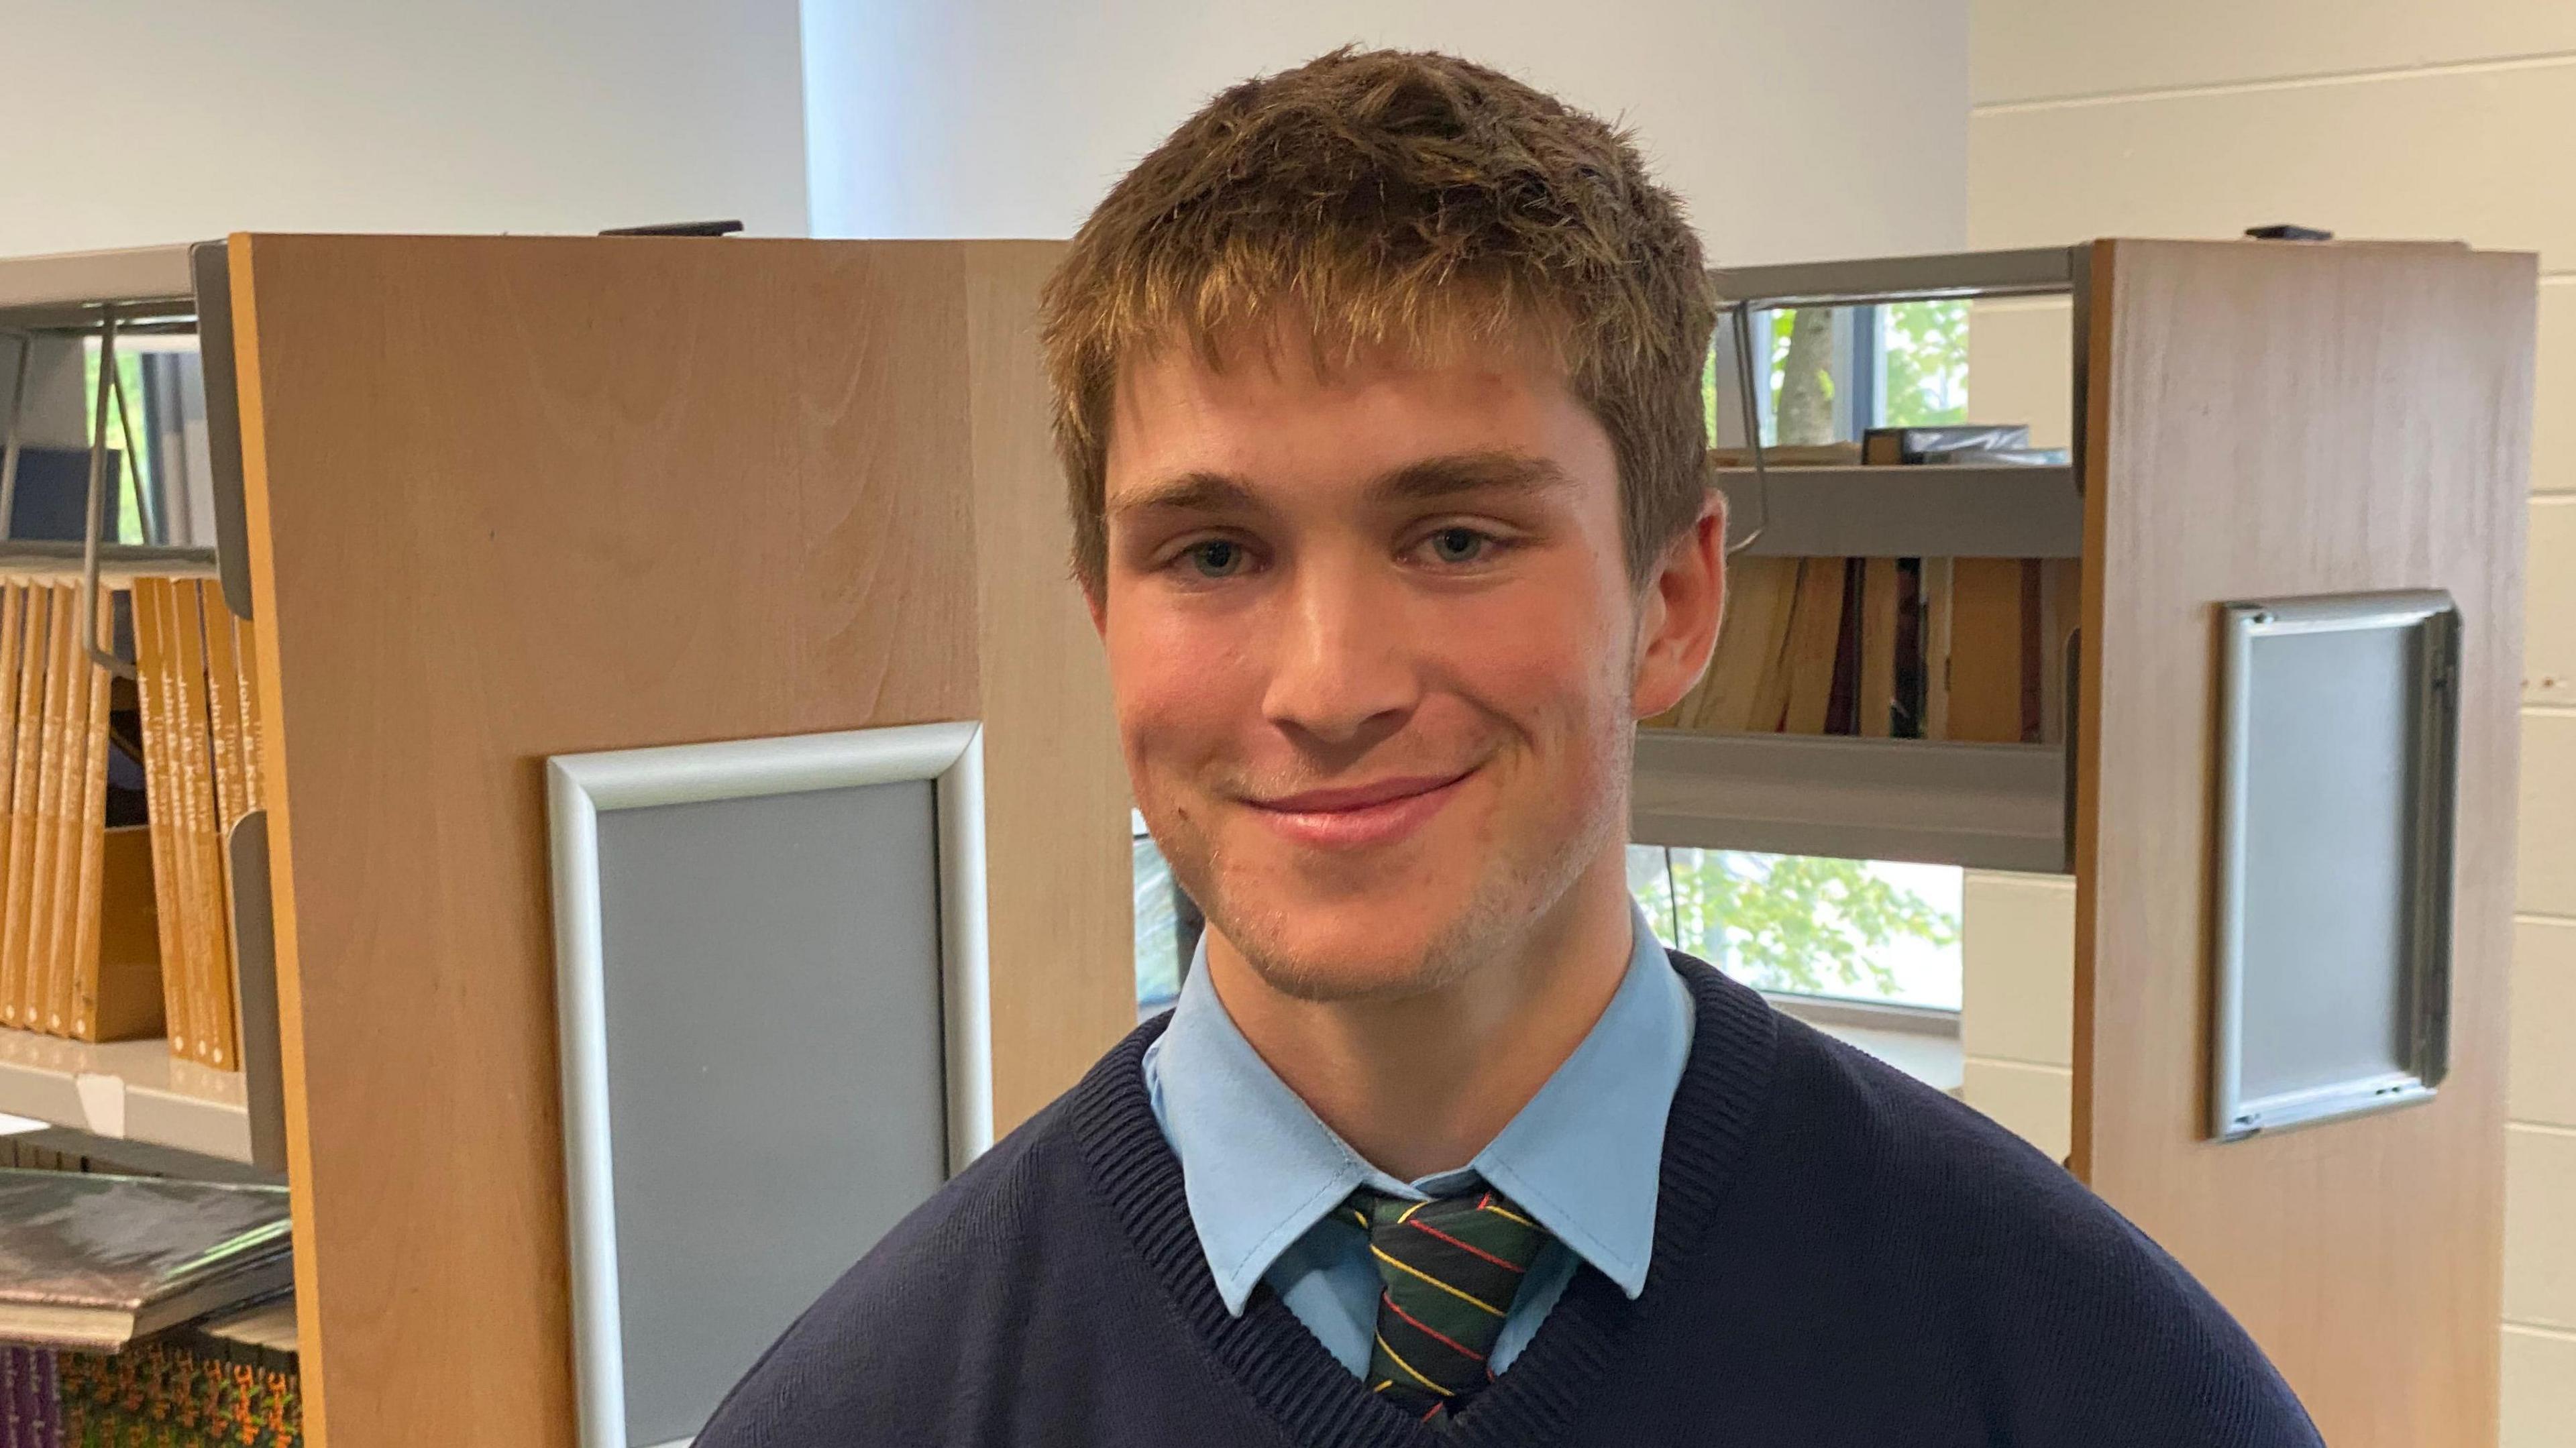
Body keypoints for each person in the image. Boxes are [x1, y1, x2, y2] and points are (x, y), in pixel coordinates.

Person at [695, 47, 2323, 1447]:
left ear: (1674, 599)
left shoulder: (2083, 1374)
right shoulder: (873, 1407)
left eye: (1459, 539)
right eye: (1213, 555)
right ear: (1105, 618)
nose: (1329, 688)